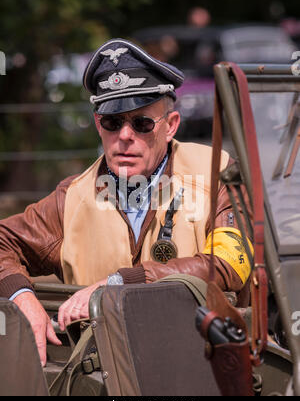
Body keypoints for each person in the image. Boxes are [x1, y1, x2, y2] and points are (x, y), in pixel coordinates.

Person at [0, 38, 253, 367]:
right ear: (97, 125)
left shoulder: (216, 174)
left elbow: (231, 262)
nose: (125, 136)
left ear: (170, 126)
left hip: (201, 366)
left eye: (142, 123)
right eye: (112, 122)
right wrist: (21, 298)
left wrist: (120, 283)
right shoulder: (72, 196)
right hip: (104, 373)